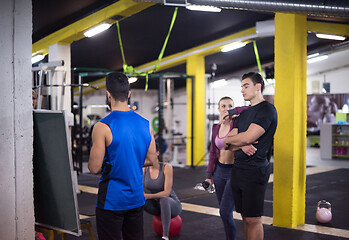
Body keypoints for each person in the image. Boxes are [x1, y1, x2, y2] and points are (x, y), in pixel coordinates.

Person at [88, 72, 157, 240]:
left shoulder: (102, 126)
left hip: (112, 200)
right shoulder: (145, 124)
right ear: (129, 94)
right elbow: (151, 159)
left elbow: (94, 168)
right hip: (136, 198)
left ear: (108, 94)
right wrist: (131, 163)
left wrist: (116, 163)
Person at [223, 72, 277, 240]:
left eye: (246, 86)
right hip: (238, 170)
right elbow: (227, 144)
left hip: (255, 170)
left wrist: (238, 141)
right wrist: (241, 144)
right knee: (245, 218)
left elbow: (246, 137)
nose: (242, 90)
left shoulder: (267, 109)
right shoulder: (244, 114)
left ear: (258, 86)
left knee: (253, 219)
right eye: (242, 87)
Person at [205, 97, 249, 240]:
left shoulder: (237, 122)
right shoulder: (215, 128)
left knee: (224, 211)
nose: (226, 108)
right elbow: (212, 152)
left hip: (233, 171)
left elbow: (249, 109)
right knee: (225, 213)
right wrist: (208, 175)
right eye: (223, 106)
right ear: (218, 109)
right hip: (219, 172)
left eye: (229, 106)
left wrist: (234, 111)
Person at [143, 144, 182, 240]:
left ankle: (165, 236)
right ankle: (134, 233)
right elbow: (139, 187)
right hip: (156, 207)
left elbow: (166, 193)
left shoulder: (166, 167)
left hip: (172, 206)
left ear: (157, 153)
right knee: (137, 199)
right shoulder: (145, 169)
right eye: (147, 153)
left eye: (151, 153)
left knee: (164, 199)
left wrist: (148, 196)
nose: (148, 156)